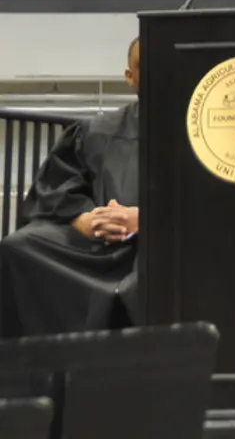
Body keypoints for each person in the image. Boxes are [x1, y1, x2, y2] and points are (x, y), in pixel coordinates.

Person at [0, 39, 142, 338]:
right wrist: (84, 218)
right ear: (129, 76)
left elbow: (209, 203)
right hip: (95, 244)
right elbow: (58, 186)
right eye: (144, 66)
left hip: (158, 244)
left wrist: (139, 219)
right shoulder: (98, 129)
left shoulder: (205, 132)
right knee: (20, 247)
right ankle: (34, 370)